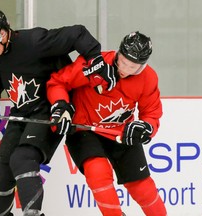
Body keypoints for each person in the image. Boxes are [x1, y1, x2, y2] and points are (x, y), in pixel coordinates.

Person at [0, 7, 106, 216]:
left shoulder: (34, 42)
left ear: (3, 33)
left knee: (22, 159)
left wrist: (95, 60)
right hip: (21, 113)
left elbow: (77, 33)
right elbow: (0, 74)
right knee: (1, 174)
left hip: (50, 110)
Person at [47, 31, 167, 216]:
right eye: (123, 62)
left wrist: (146, 128)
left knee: (143, 188)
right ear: (118, 53)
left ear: (142, 66)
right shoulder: (95, 63)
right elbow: (57, 82)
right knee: (97, 172)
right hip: (84, 129)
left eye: (133, 67)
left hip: (121, 132)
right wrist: (61, 106)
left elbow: (151, 113)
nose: (125, 69)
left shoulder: (148, 78)